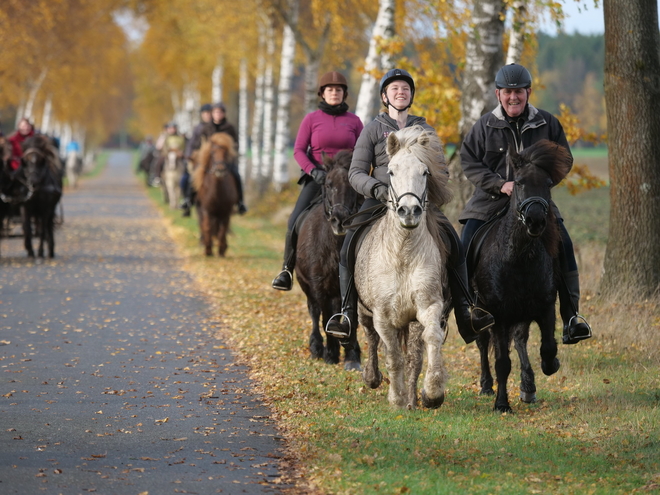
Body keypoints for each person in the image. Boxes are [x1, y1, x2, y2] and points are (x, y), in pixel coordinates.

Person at [325, 69, 494, 344]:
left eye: (405, 88)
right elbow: (355, 172)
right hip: (380, 198)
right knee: (348, 247)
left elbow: (441, 171)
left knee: (454, 242)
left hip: (417, 201)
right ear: (385, 96)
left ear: (411, 95)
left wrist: (421, 191)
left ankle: (466, 310)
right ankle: (346, 314)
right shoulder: (372, 129)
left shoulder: (425, 131)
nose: (400, 92)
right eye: (394, 89)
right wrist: (377, 189)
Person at [458, 62, 592, 345]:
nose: (513, 97)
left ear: (528, 92)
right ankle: (468, 312)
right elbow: (469, 161)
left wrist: (538, 187)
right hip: (490, 201)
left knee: (564, 245)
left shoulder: (547, 123)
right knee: (465, 244)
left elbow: (565, 159)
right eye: (507, 92)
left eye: (518, 91)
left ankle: (571, 318)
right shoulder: (484, 126)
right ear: (498, 94)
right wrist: (500, 184)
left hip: (534, 202)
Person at [271, 71, 364, 290]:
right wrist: (313, 171)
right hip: (319, 177)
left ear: (344, 94)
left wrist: (357, 173)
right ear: (322, 93)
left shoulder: (355, 121)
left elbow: (362, 151)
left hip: (347, 181)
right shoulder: (311, 119)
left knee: (370, 218)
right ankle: (286, 269)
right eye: (330, 90)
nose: (334, 93)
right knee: (294, 220)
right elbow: (299, 150)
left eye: (338, 90)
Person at [200, 102, 247, 214]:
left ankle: (240, 202)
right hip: (210, 160)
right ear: (212, 113)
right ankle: (190, 199)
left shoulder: (229, 128)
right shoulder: (206, 128)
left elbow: (236, 143)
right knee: (196, 175)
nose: (218, 114)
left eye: (220, 112)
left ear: (224, 114)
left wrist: (230, 149)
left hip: (225, 160)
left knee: (236, 175)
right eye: (216, 112)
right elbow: (200, 143)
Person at [181, 103, 213, 216]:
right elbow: (191, 144)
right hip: (198, 158)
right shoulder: (198, 128)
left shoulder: (217, 127)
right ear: (202, 115)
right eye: (205, 113)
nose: (207, 115)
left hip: (214, 158)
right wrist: (189, 156)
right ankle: (187, 201)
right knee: (187, 178)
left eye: (209, 113)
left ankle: (237, 201)